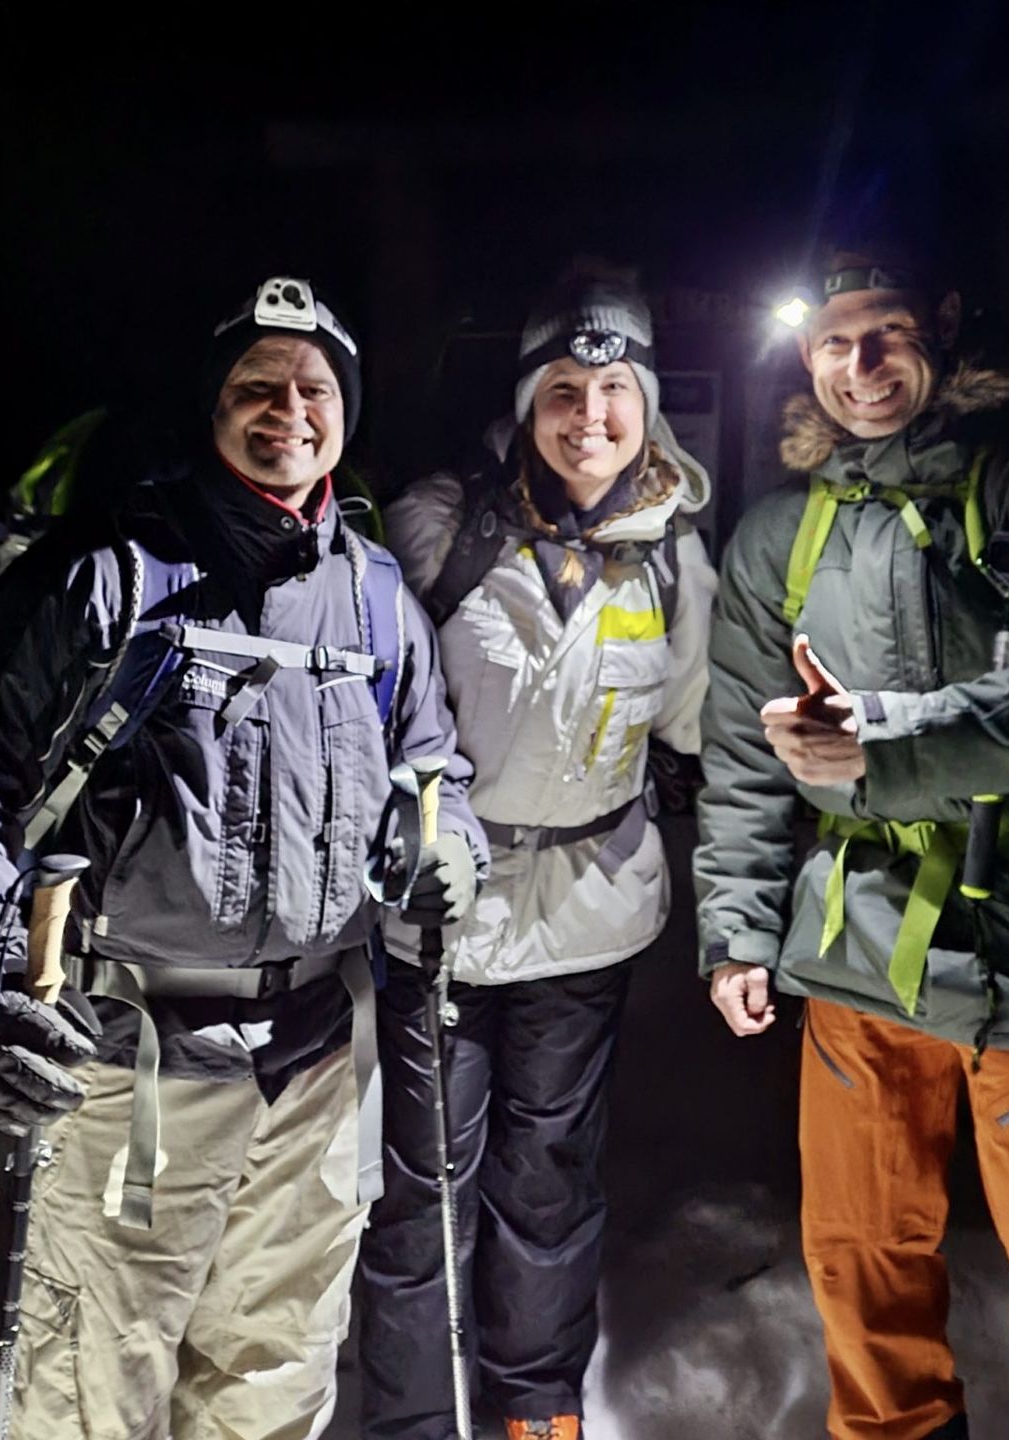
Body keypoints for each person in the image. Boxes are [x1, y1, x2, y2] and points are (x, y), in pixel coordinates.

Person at [0, 275, 485, 1440]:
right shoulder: (106, 571)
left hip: (316, 1073)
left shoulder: (373, 598)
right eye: (255, 384)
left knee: (272, 1388)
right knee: (90, 1399)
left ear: (347, 412)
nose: (288, 409)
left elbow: (433, 769)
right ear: (211, 406)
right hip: (132, 1072)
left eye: (315, 387)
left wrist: (445, 846)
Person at [694, 237, 1009, 1439]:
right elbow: (746, 752)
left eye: (889, 329)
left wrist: (888, 744)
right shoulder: (779, 535)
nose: (859, 364)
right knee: (863, 1274)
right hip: (857, 949)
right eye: (832, 339)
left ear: (945, 324)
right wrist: (741, 928)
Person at [358, 265, 716, 1440]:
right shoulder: (439, 524)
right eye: (565, 388)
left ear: (649, 403)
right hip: (444, 918)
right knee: (420, 1194)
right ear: (526, 402)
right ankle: (414, 1416)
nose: (591, 416)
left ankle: (533, 1405)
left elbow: (699, 720)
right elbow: (363, 703)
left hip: (589, 912)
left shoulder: (673, 556)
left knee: (548, 1180)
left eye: (616, 388)